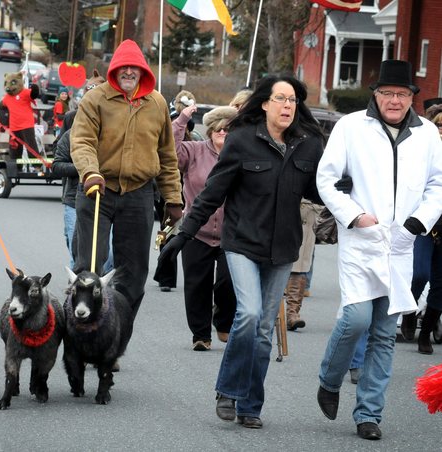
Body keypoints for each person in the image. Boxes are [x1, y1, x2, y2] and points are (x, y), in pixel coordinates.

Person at [159, 74, 325, 429]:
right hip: (241, 243)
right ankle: (228, 390)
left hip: (282, 249)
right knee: (248, 314)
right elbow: (212, 194)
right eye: (280, 98)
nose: (287, 106)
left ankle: (250, 404)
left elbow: (322, 191)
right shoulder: (241, 142)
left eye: (293, 100)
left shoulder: (308, 145)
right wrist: (181, 234)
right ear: (264, 103)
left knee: (264, 328)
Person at [315, 60, 442, 440]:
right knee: (355, 320)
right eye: (387, 93)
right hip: (362, 241)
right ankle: (329, 377)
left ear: (411, 99)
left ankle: (369, 413)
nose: (394, 100)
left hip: (402, 244)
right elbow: (327, 177)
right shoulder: (352, 127)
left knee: (385, 333)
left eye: (402, 94)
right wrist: (353, 216)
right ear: (376, 95)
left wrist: (420, 222)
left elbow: (438, 184)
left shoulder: (427, 136)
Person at [70, 39, 182, 330]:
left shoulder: (156, 103)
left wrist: (173, 199)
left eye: (135, 67)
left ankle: (115, 337)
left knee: (133, 274)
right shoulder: (95, 100)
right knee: (90, 267)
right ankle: (84, 331)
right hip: (98, 190)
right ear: (114, 70)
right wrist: (90, 173)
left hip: (139, 194)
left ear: (143, 71)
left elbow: (167, 155)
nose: (129, 72)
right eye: (123, 67)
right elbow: (81, 141)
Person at [174, 103, 238, 350]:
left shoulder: (239, 156)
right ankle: (201, 335)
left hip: (230, 233)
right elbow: (171, 150)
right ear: (210, 130)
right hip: (196, 232)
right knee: (196, 285)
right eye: (218, 129)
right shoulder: (194, 151)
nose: (222, 132)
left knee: (228, 282)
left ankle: (223, 322)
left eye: (228, 129)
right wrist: (181, 120)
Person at [52, 71, 106, 270]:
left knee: (103, 253)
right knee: (74, 245)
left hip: (105, 198)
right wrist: (85, 168)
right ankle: (76, 291)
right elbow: (58, 163)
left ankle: (97, 291)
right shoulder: (71, 121)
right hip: (74, 196)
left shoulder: (113, 131)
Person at [400, 97, 442, 353]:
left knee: (441, 285)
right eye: (438, 125)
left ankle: (426, 331)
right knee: (419, 274)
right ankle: (408, 309)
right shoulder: (425, 153)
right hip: (425, 226)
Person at [153, 90, 196, 293]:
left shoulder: (195, 139)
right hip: (167, 191)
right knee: (166, 232)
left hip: (189, 191)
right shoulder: (164, 134)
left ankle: (190, 275)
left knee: (185, 235)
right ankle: (165, 275)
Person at [285, 200, 322, 330]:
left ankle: (292, 313)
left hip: (307, 209)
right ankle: (269, 312)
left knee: (300, 265)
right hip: (280, 205)